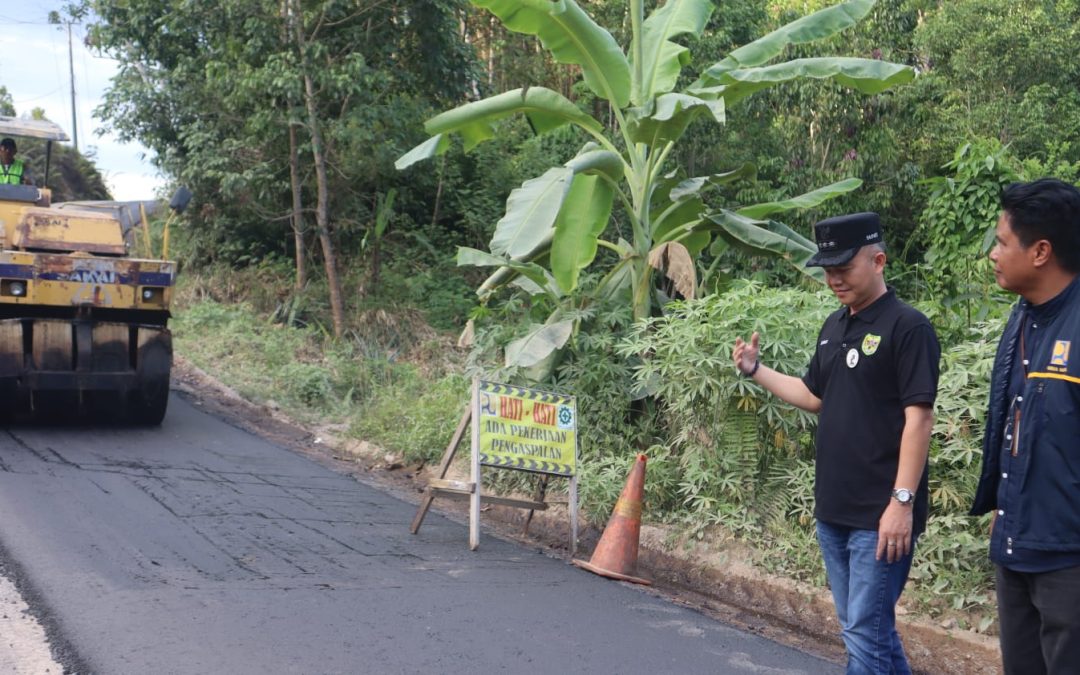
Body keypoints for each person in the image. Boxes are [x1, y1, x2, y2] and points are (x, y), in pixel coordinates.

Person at [732, 212, 940, 674]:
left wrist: (901, 502)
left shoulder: (908, 328)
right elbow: (814, 396)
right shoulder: (834, 326)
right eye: (828, 270)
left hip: (880, 516)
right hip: (834, 511)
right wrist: (755, 370)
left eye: (843, 269)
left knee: (864, 636)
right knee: (867, 633)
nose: (834, 280)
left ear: (878, 261)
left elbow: (920, 419)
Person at [970, 178, 1080, 675]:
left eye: (1001, 242)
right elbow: (1016, 419)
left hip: (1068, 561)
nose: (993, 254)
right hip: (1016, 546)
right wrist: (1004, 504)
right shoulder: (1022, 318)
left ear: (1040, 252)